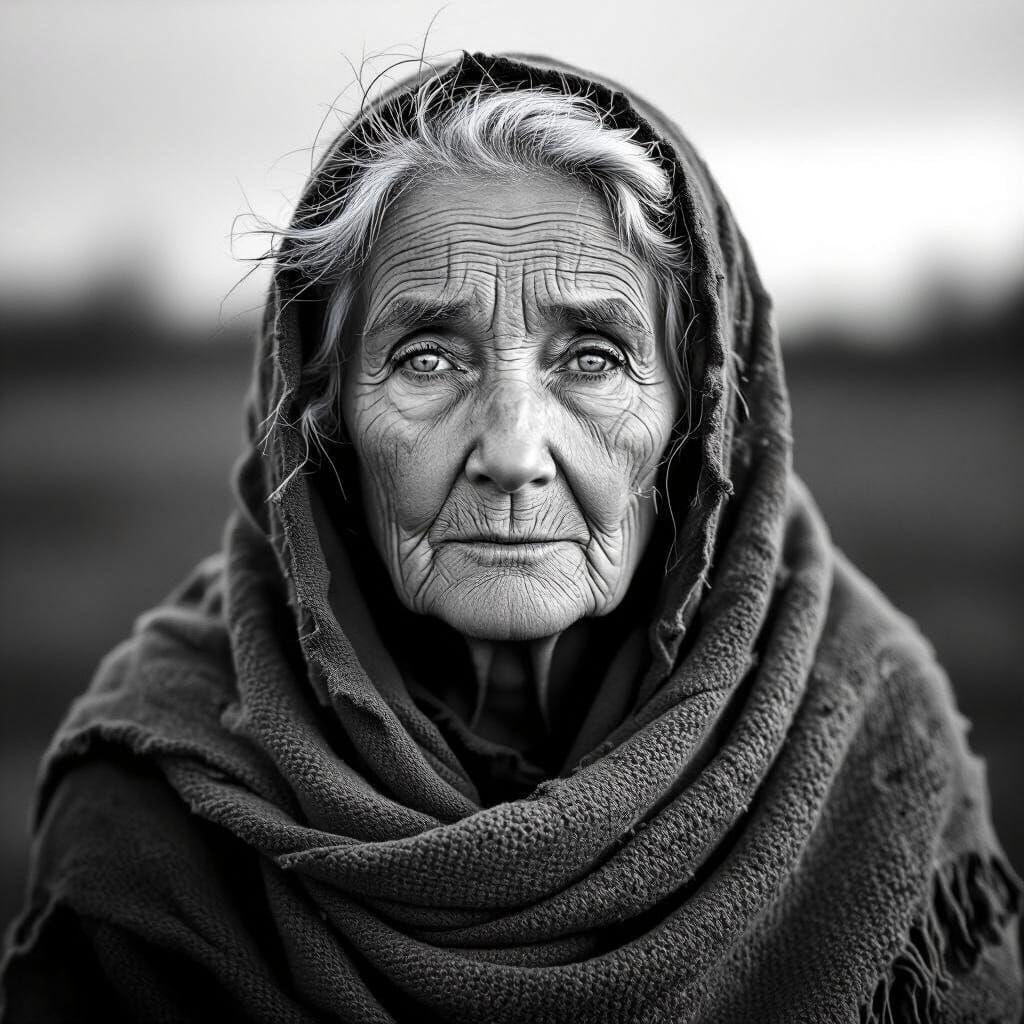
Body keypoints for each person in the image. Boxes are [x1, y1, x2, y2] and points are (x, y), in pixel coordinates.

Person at [1, 52, 1020, 1023]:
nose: (512, 450)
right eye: (429, 358)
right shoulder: (157, 801)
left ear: (698, 420)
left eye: (593, 356)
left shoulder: (860, 724)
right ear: (324, 419)